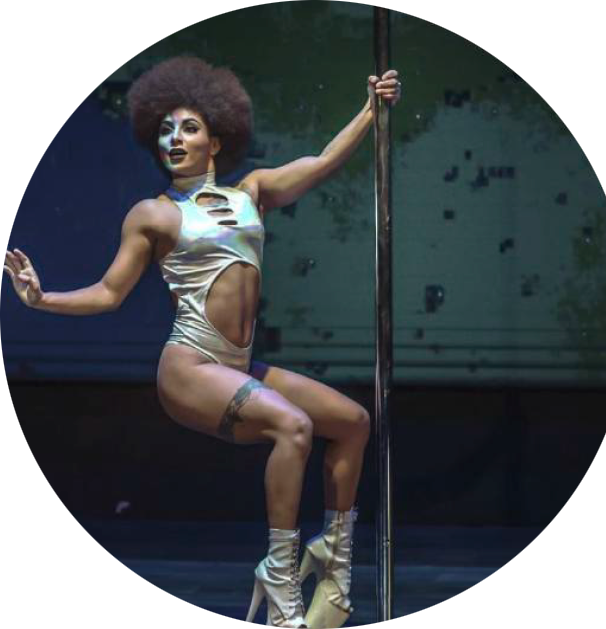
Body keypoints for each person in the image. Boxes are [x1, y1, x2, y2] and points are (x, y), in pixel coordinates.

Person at [2, 56, 401, 629]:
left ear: (215, 140)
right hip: (189, 369)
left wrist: (371, 110)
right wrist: (42, 299)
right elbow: (110, 293)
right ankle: (280, 576)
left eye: (188, 128)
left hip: (237, 366)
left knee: (353, 422)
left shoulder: (252, 192)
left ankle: (333, 565)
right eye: (165, 130)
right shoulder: (154, 214)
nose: (175, 138)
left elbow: (320, 163)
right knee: (293, 427)